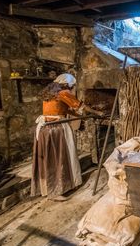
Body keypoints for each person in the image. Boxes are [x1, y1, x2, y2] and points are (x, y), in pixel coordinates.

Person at [31, 73, 103, 201]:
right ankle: (55, 191)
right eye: (72, 86)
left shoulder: (51, 93)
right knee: (58, 158)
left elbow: (63, 110)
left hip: (44, 129)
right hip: (55, 129)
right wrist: (98, 112)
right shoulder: (63, 93)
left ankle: (56, 187)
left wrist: (76, 114)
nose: (72, 88)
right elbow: (81, 106)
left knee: (51, 159)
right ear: (67, 84)